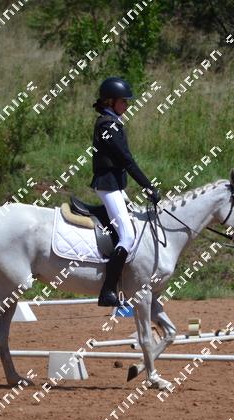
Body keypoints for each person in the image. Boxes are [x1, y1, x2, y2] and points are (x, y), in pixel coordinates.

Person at [89, 76, 160, 307]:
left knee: (132, 229)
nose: (127, 105)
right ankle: (107, 290)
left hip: (115, 186)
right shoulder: (107, 126)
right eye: (123, 101)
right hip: (107, 186)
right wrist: (148, 187)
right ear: (111, 101)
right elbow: (126, 160)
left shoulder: (113, 122)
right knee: (128, 236)